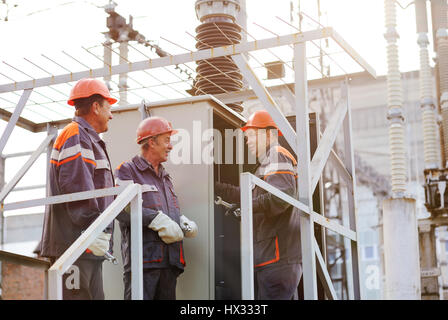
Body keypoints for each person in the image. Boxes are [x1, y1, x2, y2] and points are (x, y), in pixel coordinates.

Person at [40, 78, 117, 300]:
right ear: (96, 106)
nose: (111, 114)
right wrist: (95, 228)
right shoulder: (75, 133)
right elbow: (77, 186)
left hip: (86, 245)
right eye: (108, 107)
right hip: (76, 244)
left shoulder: (87, 138)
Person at [215, 109, 302, 300]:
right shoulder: (265, 165)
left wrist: (246, 208)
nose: (248, 141)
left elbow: (282, 196)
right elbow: (248, 196)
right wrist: (217, 188)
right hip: (272, 258)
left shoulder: (277, 155)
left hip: (278, 257)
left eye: (252, 135)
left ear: (269, 134)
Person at [114, 116, 198, 300]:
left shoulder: (165, 178)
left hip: (170, 263)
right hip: (144, 264)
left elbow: (168, 212)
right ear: (151, 142)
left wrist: (180, 220)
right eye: (167, 140)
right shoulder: (127, 170)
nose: (171, 146)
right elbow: (119, 209)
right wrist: (155, 219)